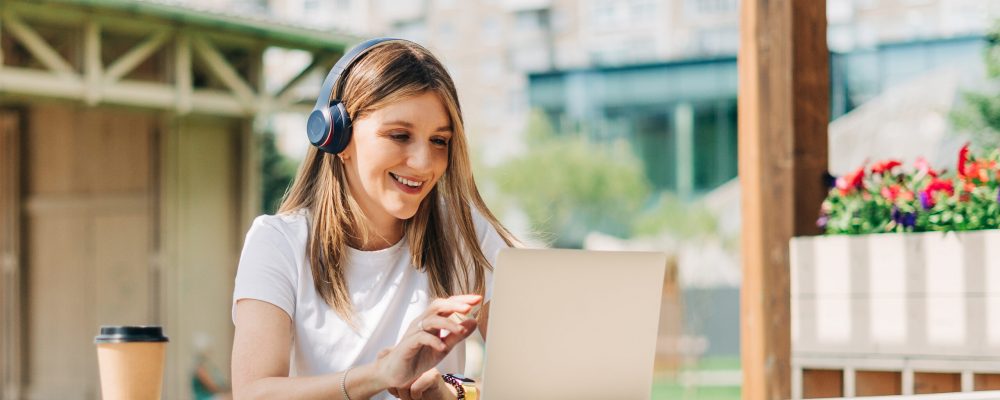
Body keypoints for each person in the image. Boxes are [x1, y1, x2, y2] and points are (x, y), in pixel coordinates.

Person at [231, 38, 518, 400]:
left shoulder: (463, 230)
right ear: (337, 136)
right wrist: (380, 375)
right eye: (400, 136)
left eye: (439, 141)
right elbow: (253, 393)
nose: (424, 162)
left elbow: (532, 377)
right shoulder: (278, 242)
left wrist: (454, 394)